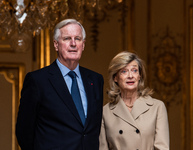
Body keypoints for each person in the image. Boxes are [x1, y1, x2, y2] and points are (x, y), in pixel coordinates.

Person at [16, 19, 104, 150]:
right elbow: (24, 133)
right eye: (67, 38)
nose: (73, 44)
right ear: (56, 45)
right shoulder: (37, 80)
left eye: (78, 39)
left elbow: (92, 129)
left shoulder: (96, 80)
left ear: (83, 45)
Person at [99, 51, 169, 150]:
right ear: (115, 77)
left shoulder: (157, 107)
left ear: (139, 76)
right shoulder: (105, 113)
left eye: (134, 70)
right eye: (124, 71)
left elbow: (162, 148)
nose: (130, 76)